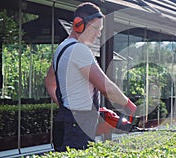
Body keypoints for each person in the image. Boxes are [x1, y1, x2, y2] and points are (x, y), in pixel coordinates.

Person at [44, 2, 137, 152]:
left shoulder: (62, 48)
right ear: (78, 24)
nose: (98, 34)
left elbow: (49, 82)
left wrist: (68, 105)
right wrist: (129, 105)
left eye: (100, 30)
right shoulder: (79, 50)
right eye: (95, 28)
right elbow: (106, 87)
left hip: (65, 121)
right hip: (77, 129)